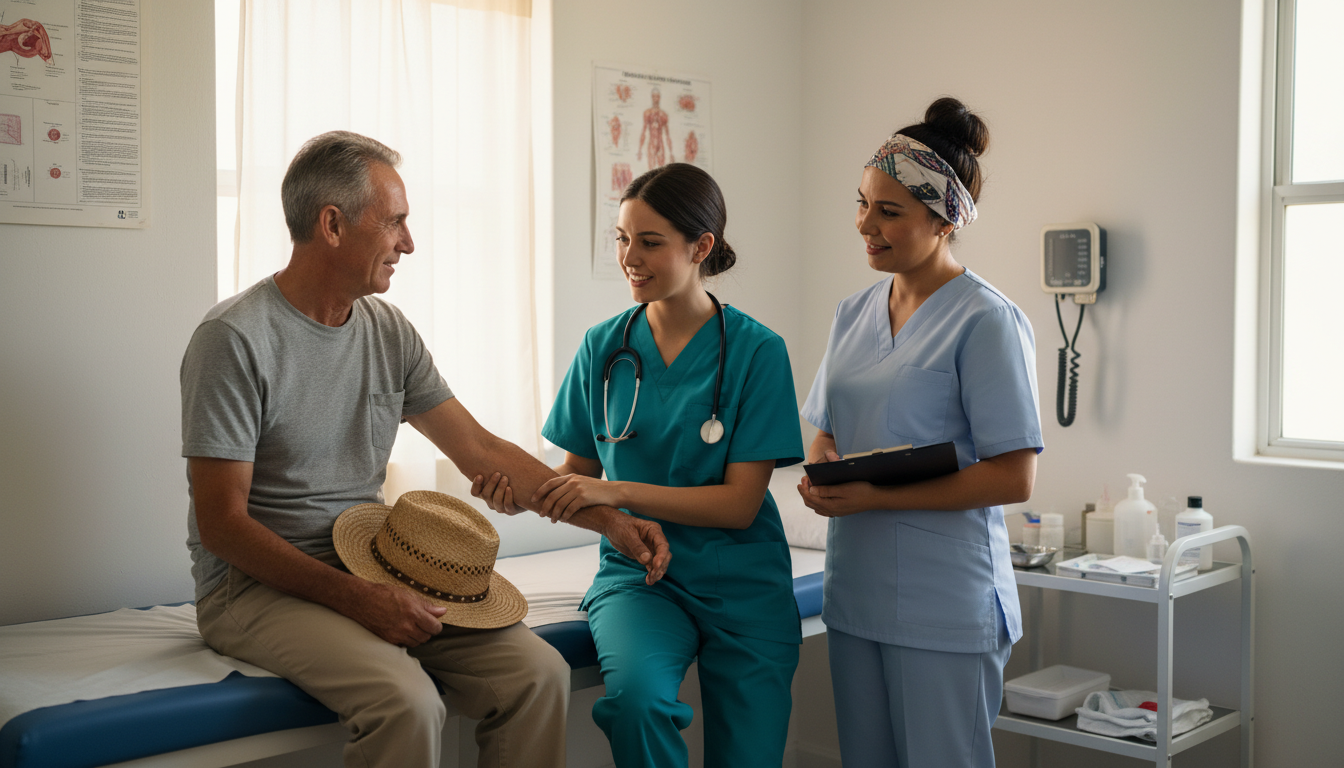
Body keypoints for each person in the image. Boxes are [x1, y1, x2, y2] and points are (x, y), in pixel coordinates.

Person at [180, 130, 671, 768]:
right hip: (252, 589)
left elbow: (480, 448)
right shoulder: (235, 339)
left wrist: (610, 522)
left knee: (538, 677)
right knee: (407, 700)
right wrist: (360, 600)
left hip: (373, 563)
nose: (408, 243)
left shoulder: (387, 332)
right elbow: (222, 525)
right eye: (395, 224)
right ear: (332, 224)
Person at [475, 163, 805, 768]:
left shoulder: (759, 351)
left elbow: (739, 504)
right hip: (640, 578)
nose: (630, 256)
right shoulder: (604, 347)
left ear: (700, 247)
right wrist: (518, 492)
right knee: (636, 706)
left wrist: (616, 490)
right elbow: (573, 477)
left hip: (743, 583)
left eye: (650, 242)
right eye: (623, 238)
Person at [798, 98, 1042, 768]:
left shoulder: (986, 321)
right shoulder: (853, 314)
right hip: (856, 594)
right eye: (862, 203)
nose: (864, 225)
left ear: (943, 220)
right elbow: (825, 431)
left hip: (945, 605)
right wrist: (822, 470)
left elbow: (1013, 476)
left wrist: (877, 497)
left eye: (889, 211)